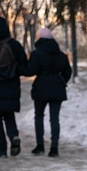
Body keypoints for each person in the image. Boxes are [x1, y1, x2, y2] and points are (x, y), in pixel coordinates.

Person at [23, 28, 72, 157]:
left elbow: (31, 71)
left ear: (39, 39)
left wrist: (18, 68)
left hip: (41, 88)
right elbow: (68, 72)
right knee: (54, 118)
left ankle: (40, 146)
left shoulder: (37, 53)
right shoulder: (61, 54)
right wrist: (60, 80)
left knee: (39, 116)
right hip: (57, 88)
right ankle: (54, 148)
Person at [0, 17, 28, 158]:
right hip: (11, 86)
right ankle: (13, 136)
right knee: (8, 114)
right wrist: (15, 70)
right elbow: (24, 66)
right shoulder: (14, 45)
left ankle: (2, 150)